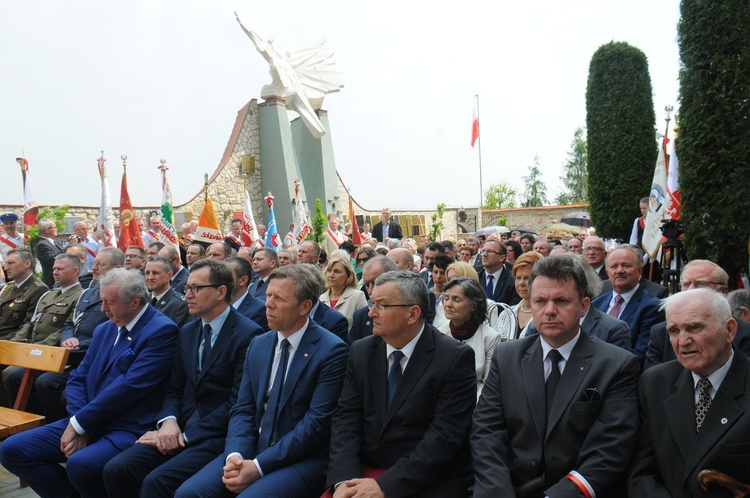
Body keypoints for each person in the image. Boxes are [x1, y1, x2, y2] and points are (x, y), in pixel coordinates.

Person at [0, 268, 179, 498]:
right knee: (13, 450)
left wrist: (80, 424)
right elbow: (77, 377)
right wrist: (78, 423)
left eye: (109, 302)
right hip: (87, 418)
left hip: (126, 425)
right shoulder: (105, 329)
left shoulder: (161, 330)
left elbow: (129, 387)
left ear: (135, 302)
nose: (103, 309)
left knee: (80, 464)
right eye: (102, 301)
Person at [472, 254, 640, 497]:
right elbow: (487, 432)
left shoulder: (616, 364)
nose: (549, 311)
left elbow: (610, 450)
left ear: (583, 306)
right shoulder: (506, 357)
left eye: (561, 301)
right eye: (540, 301)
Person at [174, 265, 349, 497]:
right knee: (190, 493)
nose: (268, 304)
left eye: (279, 298)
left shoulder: (331, 350)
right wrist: (235, 455)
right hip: (251, 447)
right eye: (268, 295)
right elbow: (242, 408)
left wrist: (257, 467)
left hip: (301, 458)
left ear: (305, 307)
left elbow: (315, 424)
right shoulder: (259, 343)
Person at [102, 259, 264, 497]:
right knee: (117, 469)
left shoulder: (249, 335)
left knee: (156, 482)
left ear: (221, 292)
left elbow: (236, 403)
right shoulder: (188, 331)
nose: (187, 294)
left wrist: (185, 436)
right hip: (178, 426)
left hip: (216, 434)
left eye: (195, 288)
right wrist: (168, 422)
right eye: (187, 287)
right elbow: (174, 388)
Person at [325, 271, 476, 497]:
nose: (371, 312)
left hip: (426, 478)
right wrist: (343, 481)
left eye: (381, 305)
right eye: (371, 302)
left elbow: (444, 437)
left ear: (412, 314)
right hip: (363, 473)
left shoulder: (453, 358)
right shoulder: (361, 351)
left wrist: (386, 486)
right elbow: (346, 419)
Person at [629, 289, 750, 496]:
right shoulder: (654, 383)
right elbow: (641, 471)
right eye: (674, 331)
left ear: (730, 330)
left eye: (694, 328)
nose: (682, 342)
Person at [33, 247, 124, 423]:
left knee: (46, 382)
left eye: (100, 264)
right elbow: (69, 322)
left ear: (117, 268)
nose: (94, 268)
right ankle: (39, 422)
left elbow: (112, 332)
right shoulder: (88, 292)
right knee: (17, 375)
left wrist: (79, 345)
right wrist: (67, 338)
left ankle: (61, 425)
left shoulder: (119, 296)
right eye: (94, 263)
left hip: (88, 354)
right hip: (70, 351)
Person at [645, 260, 750, 368]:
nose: (690, 290)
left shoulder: (745, 333)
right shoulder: (660, 333)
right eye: (686, 284)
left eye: (700, 284)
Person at [592, 245, 664, 362]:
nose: (619, 271)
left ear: (640, 270)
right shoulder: (596, 304)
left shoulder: (652, 307)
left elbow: (641, 354)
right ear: (607, 272)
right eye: (614, 266)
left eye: (626, 265)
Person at [438, 278, 500, 398]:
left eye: (456, 300)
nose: (448, 304)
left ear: (473, 306)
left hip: (476, 400)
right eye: (446, 298)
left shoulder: (490, 337)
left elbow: (489, 384)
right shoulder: (439, 334)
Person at [0, 248, 48, 341]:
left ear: (27, 264)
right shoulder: (9, 287)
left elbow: (29, 325)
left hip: (11, 342)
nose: (5, 268)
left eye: (10, 263)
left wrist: (6, 342)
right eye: (6, 264)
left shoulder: (38, 289)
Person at [348, 256, 398, 345]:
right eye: (367, 284)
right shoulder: (360, 317)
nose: (370, 290)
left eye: (376, 283)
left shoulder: (405, 310)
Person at [496, 251, 545, 341]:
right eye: (518, 278)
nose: (521, 283)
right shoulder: (506, 314)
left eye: (527, 278)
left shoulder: (546, 314)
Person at [320, 255, 367, 330]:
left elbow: (364, 326)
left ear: (348, 276)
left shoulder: (357, 296)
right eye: (329, 271)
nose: (331, 275)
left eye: (337, 271)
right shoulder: (321, 299)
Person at [225, 257, 269, 331]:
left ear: (243, 280)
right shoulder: (215, 305)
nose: (219, 279)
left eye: (227, 275)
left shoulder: (259, 309)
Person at [145, 257, 190, 327]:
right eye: (147, 273)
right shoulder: (143, 300)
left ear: (169, 276)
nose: (150, 277)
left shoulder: (180, 304)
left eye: (155, 273)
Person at [478, 239, 521, 305]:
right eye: (483, 251)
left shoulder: (512, 280)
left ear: (502, 257)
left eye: (489, 251)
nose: (484, 254)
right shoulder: (476, 278)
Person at [36, 217, 64, 287]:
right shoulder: (42, 244)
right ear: (47, 230)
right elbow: (53, 259)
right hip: (52, 281)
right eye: (54, 227)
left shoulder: (54, 242)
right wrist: (68, 247)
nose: (56, 229)